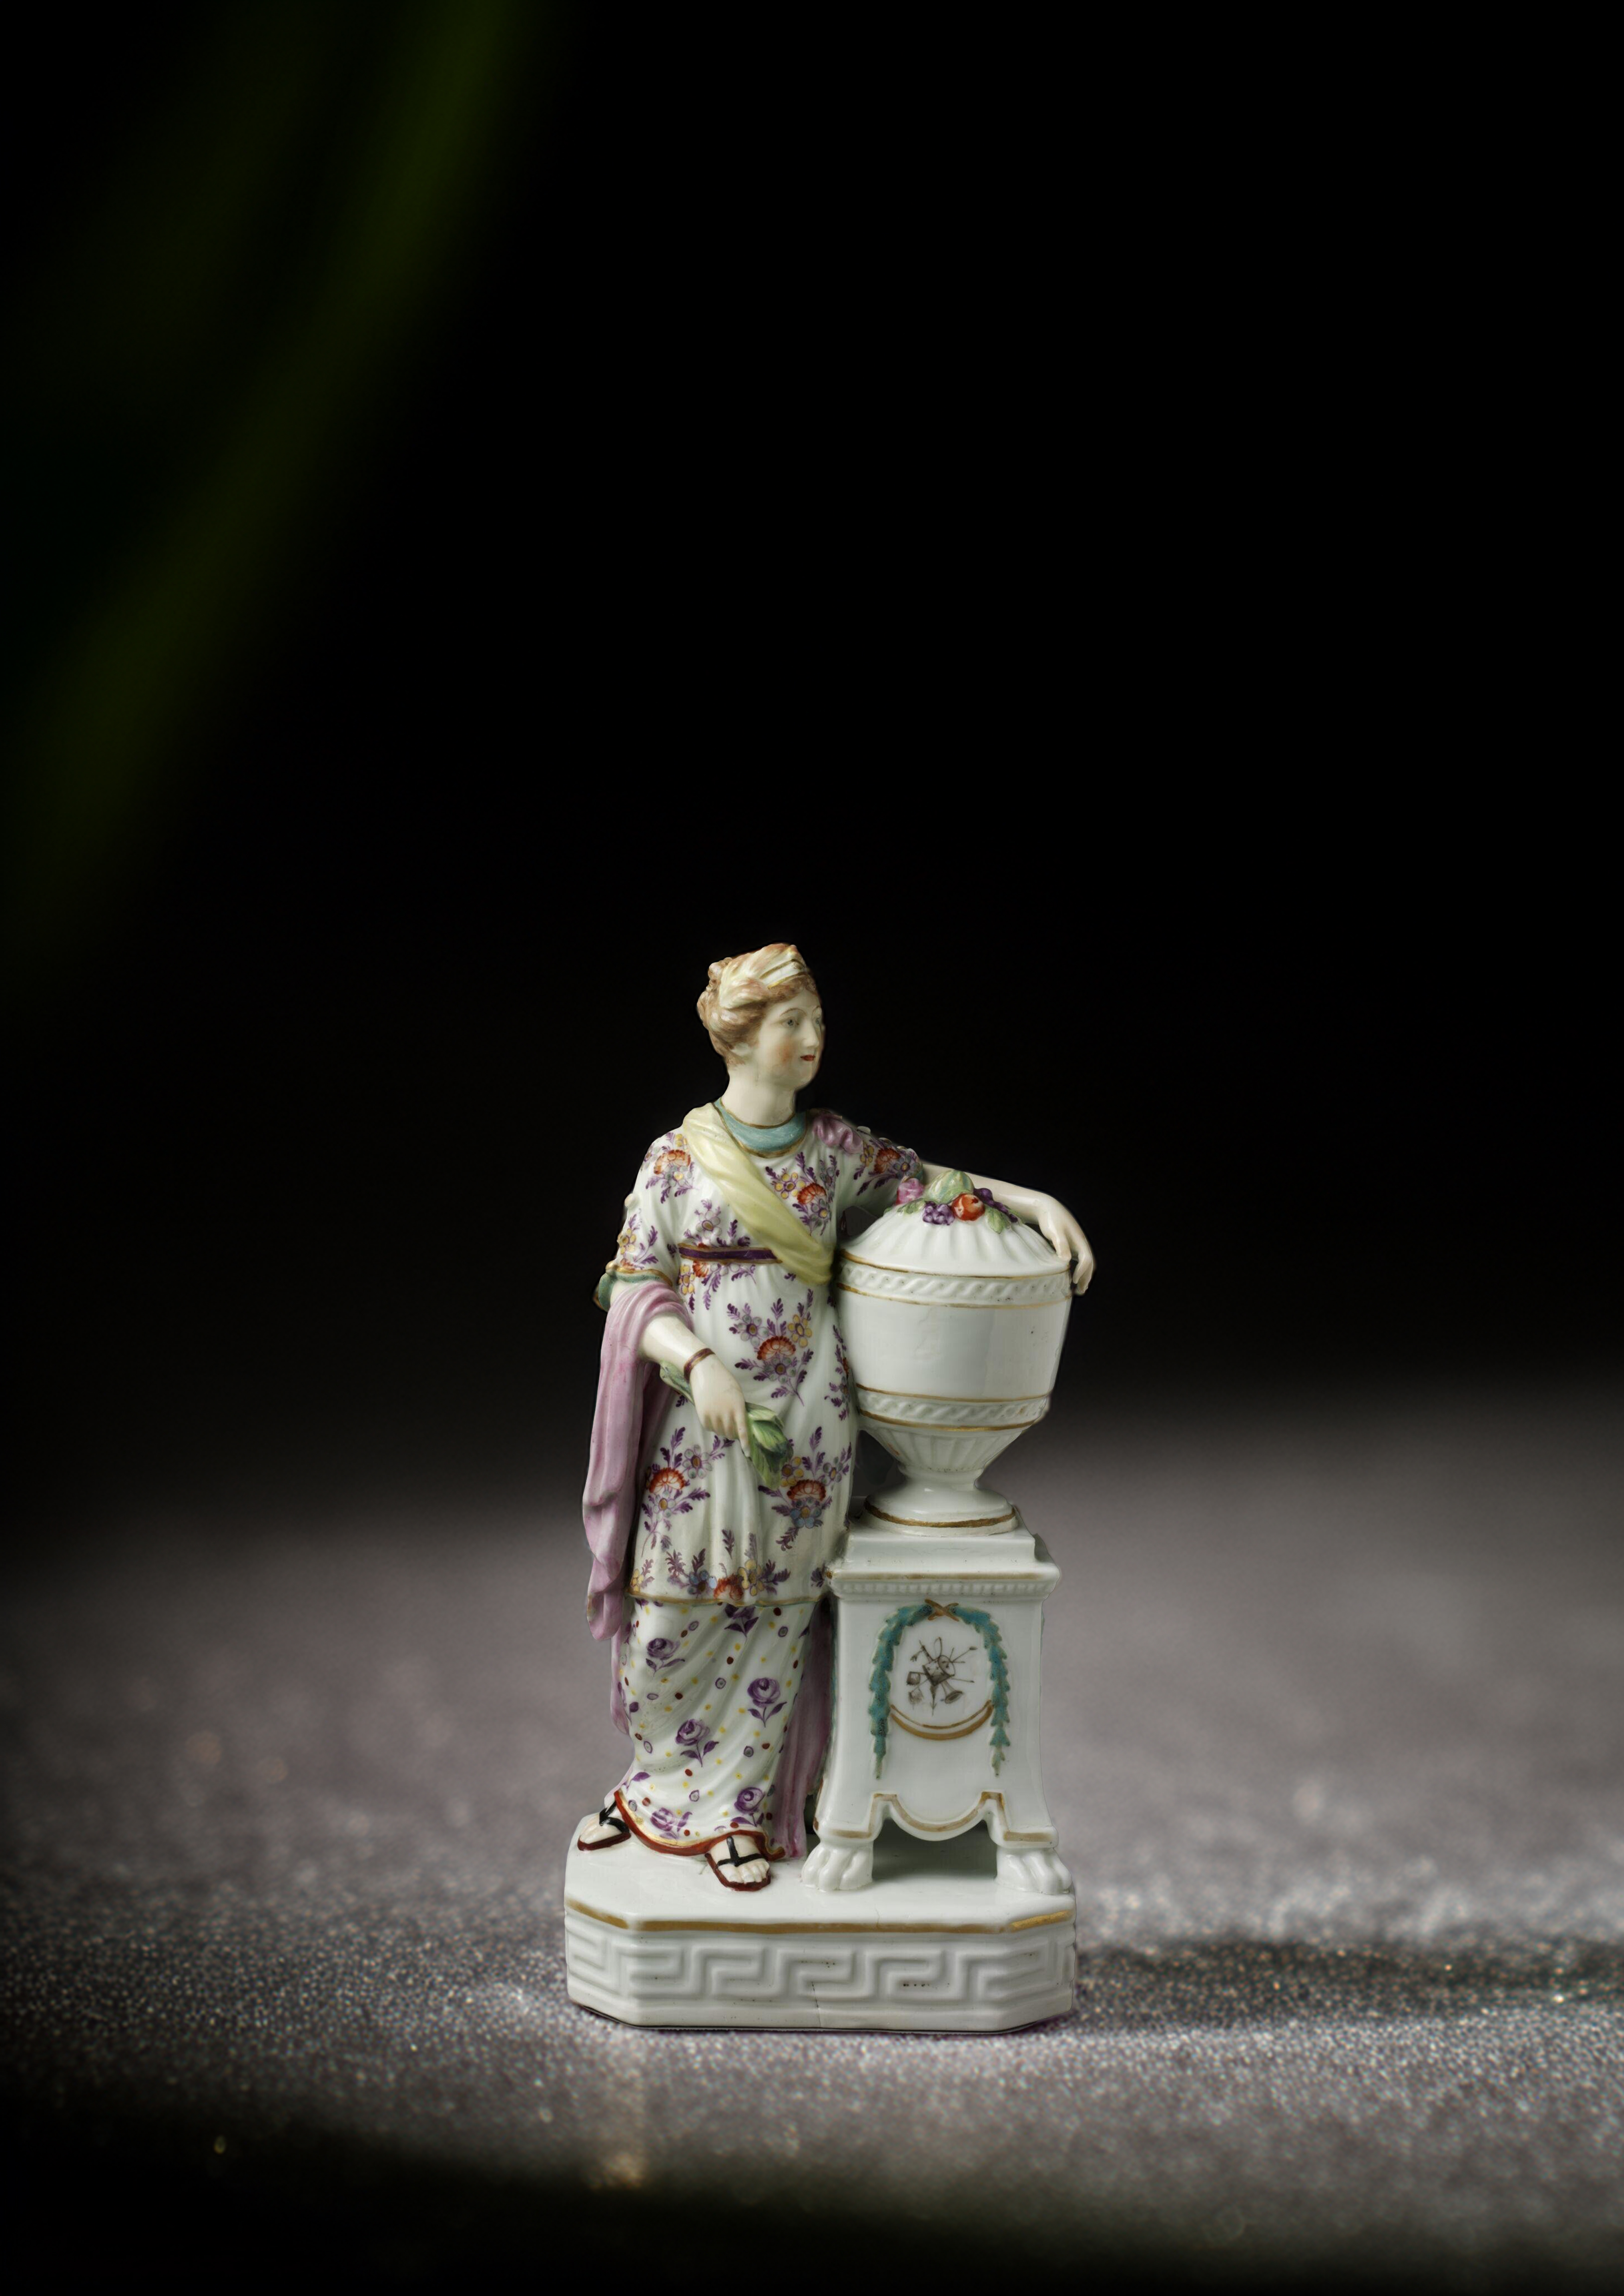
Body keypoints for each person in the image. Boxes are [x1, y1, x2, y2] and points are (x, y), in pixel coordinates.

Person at [578, 944, 1093, 1891]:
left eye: (815, 1022)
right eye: (791, 1024)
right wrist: (695, 1363)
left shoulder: (832, 1151)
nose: (812, 1040)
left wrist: (1032, 1199)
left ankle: (738, 1813)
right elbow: (630, 1286)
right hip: (699, 1431)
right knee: (671, 1613)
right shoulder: (677, 1161)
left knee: (775, 1614)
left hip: (806, 1421)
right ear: (739, 1039)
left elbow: (928, 1182)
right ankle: (655, 1789)